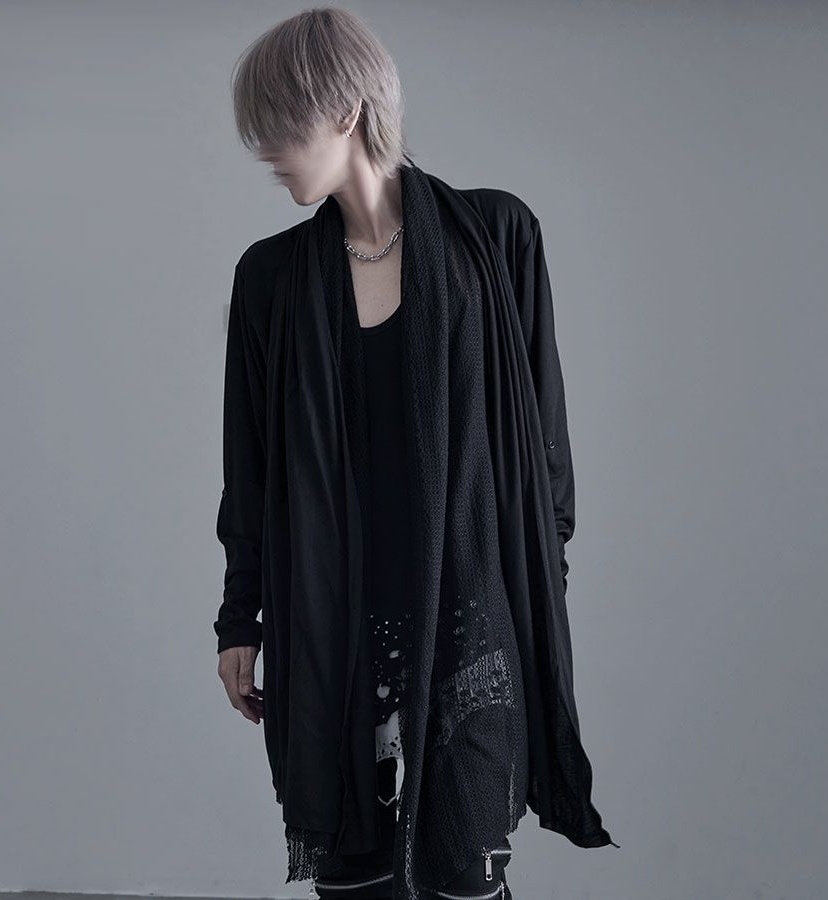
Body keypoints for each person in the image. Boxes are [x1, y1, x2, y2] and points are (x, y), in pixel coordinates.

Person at [213, 8, 617, 900]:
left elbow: (544, 445)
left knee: (467, 877)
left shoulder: (495, 237)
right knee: (354, 879)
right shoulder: (270, 280)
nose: (266, 152)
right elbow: (252, 473)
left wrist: (539, 584)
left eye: (279, 125)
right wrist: (240, 620)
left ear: (346, 112)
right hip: (332, 625)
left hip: (468, 616)